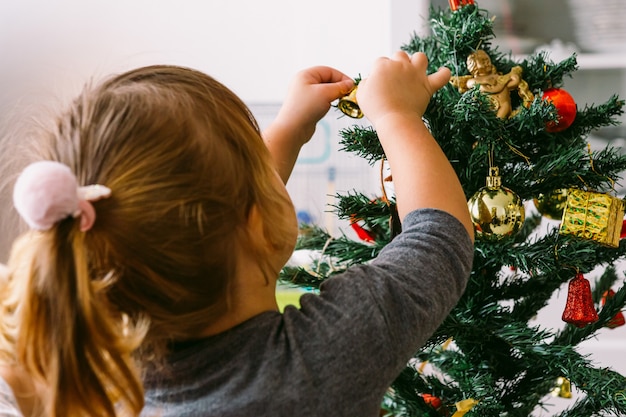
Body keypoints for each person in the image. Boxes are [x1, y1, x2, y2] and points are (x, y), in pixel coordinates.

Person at [0, 50, 473, 417]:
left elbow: (223, 215)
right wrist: (396, 114)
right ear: (257, 222)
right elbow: (437, 240)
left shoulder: (104, 380)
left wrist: (288, 127)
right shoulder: (319, 359)